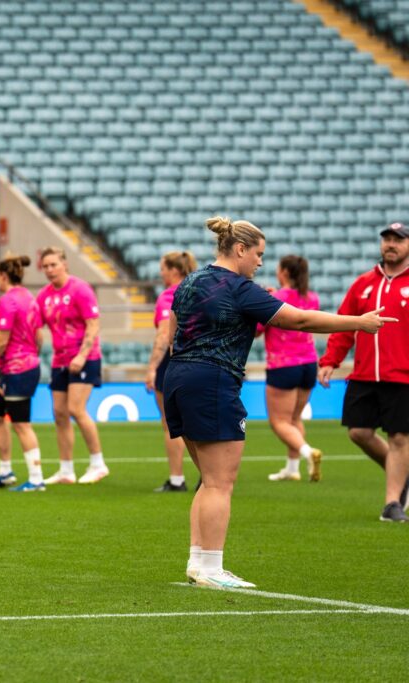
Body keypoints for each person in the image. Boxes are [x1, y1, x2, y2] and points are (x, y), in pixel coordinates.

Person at [166, 216, 393, 589]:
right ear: (240, 249)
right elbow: (300, 321)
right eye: (258, 254)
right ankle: (210, 568)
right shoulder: (240, 287)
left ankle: (199, 562)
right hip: (213, 381)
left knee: (208, 480)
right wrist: (358, 322)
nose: (259, 262)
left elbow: (180, 328)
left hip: (179, 377)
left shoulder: (191, 281)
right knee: (220, 483)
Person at [319, 221, 409, 523]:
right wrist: (330, 359)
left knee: (399, 438)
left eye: (398, 239)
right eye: (387, 239)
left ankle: (392, 504)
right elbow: (344, 324)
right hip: (365, 374)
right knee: (359, 432)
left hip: (403, 376)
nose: (391, 244)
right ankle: (401, 475)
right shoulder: (363, 283)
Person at [35, 247, 109, 486]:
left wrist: (82, 355)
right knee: (59, 413)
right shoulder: (44, 296)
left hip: (84, 358)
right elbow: (34, 324)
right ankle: (66, 469)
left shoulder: (80, 289)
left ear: (64, 264)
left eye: (53, 264)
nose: (49, 270)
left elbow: (93, 324)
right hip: (60, 359)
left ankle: (98, 464)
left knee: (77, 409)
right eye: (45, 266)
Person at [0, 254, 46, 492]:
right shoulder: (30, 298)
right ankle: (6, 472)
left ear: (3, 276)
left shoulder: (8, 301)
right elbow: (39, 336)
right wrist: (31, 356)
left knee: (21, 424)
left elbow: (1, 341)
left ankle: (36, 479)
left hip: (18, 370)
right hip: (23, 367)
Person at [261, 255, 323, 483]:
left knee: (279, 422)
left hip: (283, 365)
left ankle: (308, 453)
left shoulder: (276, 298)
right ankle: (292, 468)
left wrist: (265, 300)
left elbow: (258, 328)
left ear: (284, 272)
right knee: (295, 418)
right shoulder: (312, 298)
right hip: (308, 364)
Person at [145, 251, 197, 492]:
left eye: (163, 268)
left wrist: (152, 367)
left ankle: (177, 479)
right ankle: (208, 474)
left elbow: (165, 334)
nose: (161, 273)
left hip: (173, 360)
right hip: (199, 359)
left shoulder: (169, 295)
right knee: (196, 421)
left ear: (174, 271)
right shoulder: (198, 290)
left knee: (170, 423)